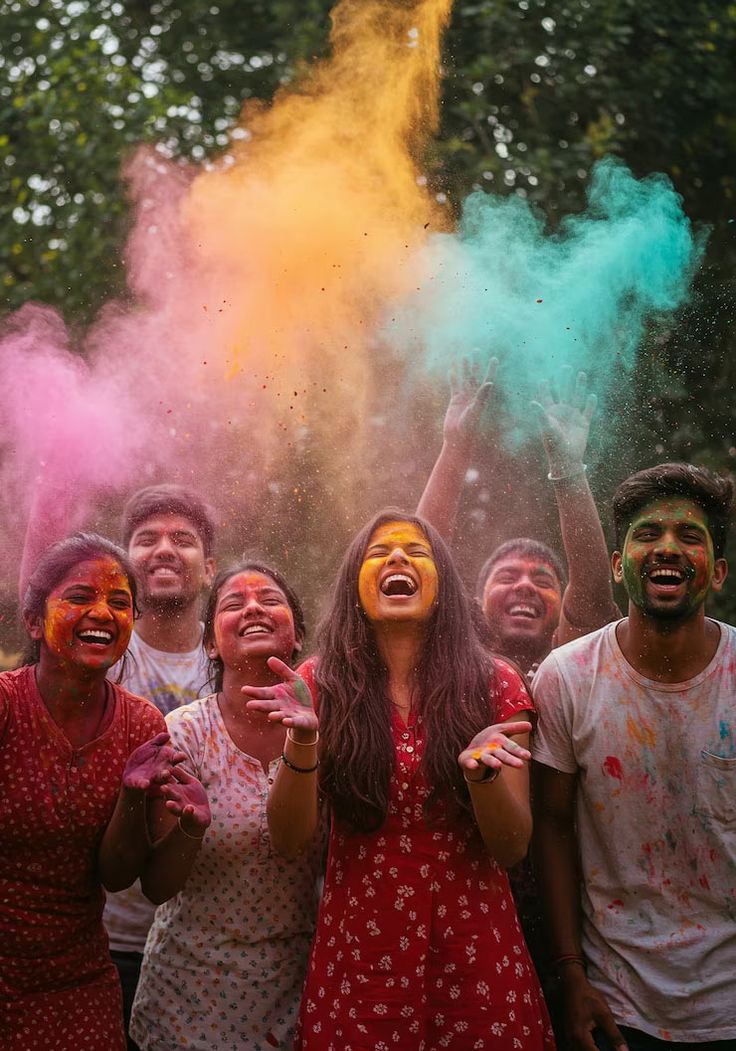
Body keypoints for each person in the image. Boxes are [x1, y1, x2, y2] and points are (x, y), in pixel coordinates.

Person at [246, 511, 556, 1050]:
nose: (396, 558)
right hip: (361, 962)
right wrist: (302, 745)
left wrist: (482, 778)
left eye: (417, 551)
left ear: (442, 586)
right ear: (354, 586)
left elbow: (512, 848)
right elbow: (289, 841)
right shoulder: (319, 683)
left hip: (475, 958)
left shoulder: (494, 682)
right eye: (378, 551)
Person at [532, 463, 736, 1050]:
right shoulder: (568, 677)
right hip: (615, 1004)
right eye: (647, 533)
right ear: (619, 564)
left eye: (689, 536)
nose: (666, 546)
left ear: (717, 572)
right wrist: (569, 973)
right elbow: (552, 825)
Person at [0, 533, 188, 1050]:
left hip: (78, 981)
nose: (102, 612)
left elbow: (120, 875)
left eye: (120, 603)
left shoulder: (141, 723)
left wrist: (133, 798)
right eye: (80, 597)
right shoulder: (5, 706)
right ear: (35, 621)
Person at [130, 561, 324, 1051]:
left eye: (270, 600)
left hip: (303, 993)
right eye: (234, 604)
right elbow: (156, 886)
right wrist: (191, 830)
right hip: (189, 999)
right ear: (212, 644)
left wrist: (304, 741)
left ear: (297, 635)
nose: (254, 607)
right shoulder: (183, 732)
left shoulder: (331, 730)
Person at [103, 484, 217, 1043]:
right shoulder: (95, 653)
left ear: (210, 568)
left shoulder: (233, 657)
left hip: (207, 943)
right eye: (146, 540)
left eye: (184, 540)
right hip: (106, 940)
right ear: (122, 566)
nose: (165, 549)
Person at [418, 362, 619, 677]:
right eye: (507, 577)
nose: (525, 586)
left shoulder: (576, 665)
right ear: (475, 607)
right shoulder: (448, 665)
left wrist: (568, 469)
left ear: (564, 615)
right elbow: (422, 569)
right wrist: (454, 447)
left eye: (543, 581)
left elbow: (591, 595)